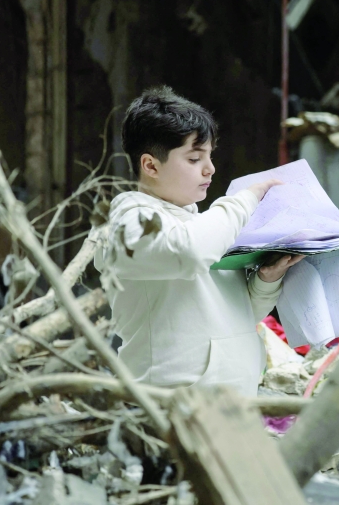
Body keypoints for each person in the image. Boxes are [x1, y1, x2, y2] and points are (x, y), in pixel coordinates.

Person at [92, 86, 303, 397]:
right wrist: (243, 201)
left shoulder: (200, 226)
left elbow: (237, 315)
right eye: (194, 158)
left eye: (209, 156)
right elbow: (189, 252)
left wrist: (265, 281)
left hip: (231, 406)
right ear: (150, 166)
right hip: (173, 410)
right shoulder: (129, 222)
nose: (210, 169)